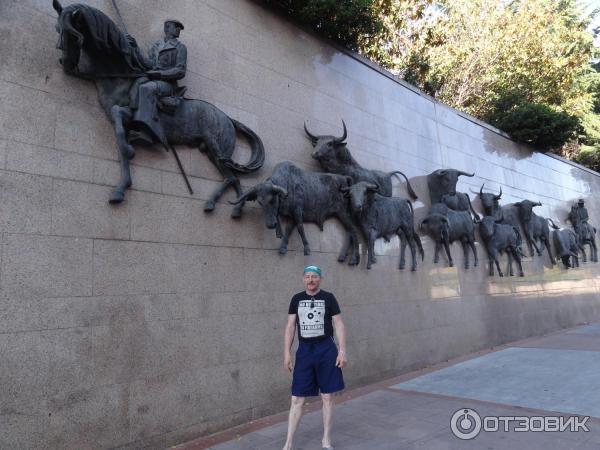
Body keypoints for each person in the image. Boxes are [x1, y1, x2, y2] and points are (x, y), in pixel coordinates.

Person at [283, 265, 347, 450]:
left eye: (315, 277)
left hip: (326, 349)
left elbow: (339, 324)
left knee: (327, 396)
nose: (311, 280)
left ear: (320, 279)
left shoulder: (329, 298)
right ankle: (288, 444)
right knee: (297, 399)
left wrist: (342, 351)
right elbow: (290, 326)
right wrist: (287, 352)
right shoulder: (296, 299)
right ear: (303, 279)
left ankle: (326, 439)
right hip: (304, 351)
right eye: (308, 277)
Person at [126, 19, 187, 146]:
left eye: (179, 28)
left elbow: (180, 70)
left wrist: (160, 74)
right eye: (176, 27)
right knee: (136, 85)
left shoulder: (180, 47)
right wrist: (135, 47)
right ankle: (131, 117)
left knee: (147, 89)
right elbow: (149, 63)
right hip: (153, 78)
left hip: (168, 84)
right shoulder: (156, 45)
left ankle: (146, 133)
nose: (178, 30)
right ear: (167, 28)